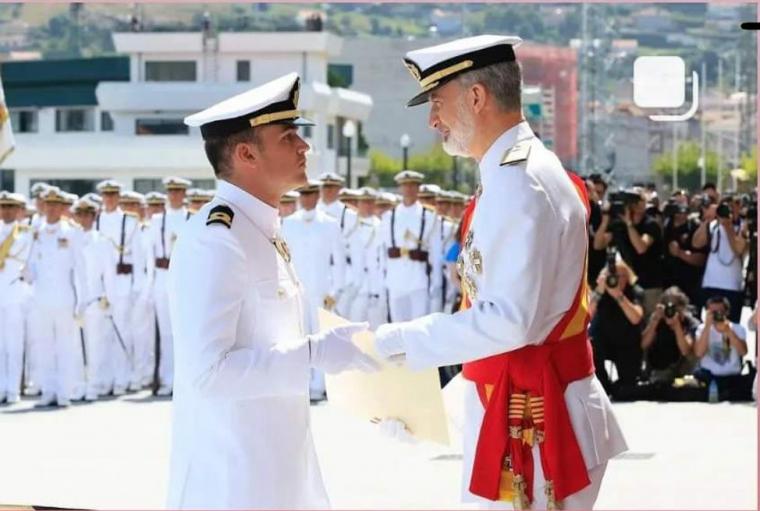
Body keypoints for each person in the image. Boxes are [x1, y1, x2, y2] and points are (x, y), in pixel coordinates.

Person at [374, 35, 626, 510]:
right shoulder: (516, 171)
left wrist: (402, 343)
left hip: (534, 416)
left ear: (476, 97)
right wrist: (428, 409)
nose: (432, 120)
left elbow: (509, 321)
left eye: (436, 101)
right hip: (520, 403)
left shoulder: (517, 181)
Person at [167, 73, 378, 509]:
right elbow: (207, 374)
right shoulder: (217, 237)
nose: (304, 147)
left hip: (278, 469)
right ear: (246, 153)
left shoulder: (261, 227)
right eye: (288, 137)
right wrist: (317, 354)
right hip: (232, 480)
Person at [281, 179, 347, 401]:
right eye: (304, 195)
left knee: (320, 336)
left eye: (311, 195)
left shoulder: (330, 223)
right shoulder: (287, 223)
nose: (307, 199)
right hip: (297, 290)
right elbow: (283, 260)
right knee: (298, 336)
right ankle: (302, 382)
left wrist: (336, 291)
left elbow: (339, 260)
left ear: (317, 196)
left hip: (322, 289)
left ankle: (320, 383)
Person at [26, 187, 86, 407]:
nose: (50, 209)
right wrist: (27, 273)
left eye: (55, 205)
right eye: (47, 204)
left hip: (64, 298)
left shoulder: (71, 232)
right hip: (41, 298)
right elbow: (31, 262)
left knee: (65, 346)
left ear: (62, 208)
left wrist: (82, 300)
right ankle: (48, 391)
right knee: (44, 347)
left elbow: (80, 269)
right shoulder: (36, 231)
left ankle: (64, 392)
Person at [148, 176, 193, 396]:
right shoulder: (157, 220)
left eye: (179, 191)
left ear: (184, 194)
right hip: (162, 277)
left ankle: (185, 380)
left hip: (185, 280)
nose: (175, 196)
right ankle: (167, 380)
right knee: (166, 334)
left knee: (185, 334)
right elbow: (149, 256)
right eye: (171, 192)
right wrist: (149, 286)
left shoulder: (193, 218)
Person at [380, 170, 442, 322]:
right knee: (397, 325)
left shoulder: (429, 216)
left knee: (419, 326)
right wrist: (381, 280)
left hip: (419, 278)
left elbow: (436, 251)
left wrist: (436, 281)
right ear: (400, 188)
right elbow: (382, 251)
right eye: (405, 186)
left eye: (413, 186)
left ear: (418, 188)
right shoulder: (389, 216)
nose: (408, 189)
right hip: (395, 279)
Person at [594, 187, 664, 318]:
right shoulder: (618, 225)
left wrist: (629, 224)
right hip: (629, 283)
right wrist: (605, 222)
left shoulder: (651, 224)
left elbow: (641, 247)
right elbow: (598, 245)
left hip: (650, 283)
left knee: (649, 320)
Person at [588, 259, 645, 396]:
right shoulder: (601, 293)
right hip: (604, 341)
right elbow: (587, 315)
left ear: (626, 278)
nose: (614, 280)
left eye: (618, 276)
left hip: (627, 343)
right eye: (611, 276)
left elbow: (636, 317)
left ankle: (618, 387)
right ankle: (603, 384)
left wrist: (619, 296)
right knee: (591, 343)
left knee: (627, 389)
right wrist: (599, 290)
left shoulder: (635, 291)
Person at [692, 196, 748, 322]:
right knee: (709, 325)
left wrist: (728, 226)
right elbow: (696, 243)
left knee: (730, 326)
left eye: (732, 207)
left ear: (738, 208)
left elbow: (738, 249)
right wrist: (707, 219)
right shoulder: (713, 225)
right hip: (710, 283)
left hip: (731, 285)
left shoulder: (742, 226)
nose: (729, 211)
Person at [0, 191, 32, 405]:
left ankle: (13, 389)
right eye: (4, 207)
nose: (7, 211)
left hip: (16, 294)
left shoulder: (27, 233)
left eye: (12, 207)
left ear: (21, 210)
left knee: (14, 344)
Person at [640, 286, 698, 385]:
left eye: (674, 306)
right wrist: (655, 321)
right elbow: (643, 344)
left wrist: (677, 327)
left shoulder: (689, 321)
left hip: (682, 366)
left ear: (682, 306)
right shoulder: (657, 318)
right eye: (667, 305)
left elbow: (686, 351)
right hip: (660, 364)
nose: (670, 309)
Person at [693, 295, 748, 396]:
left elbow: (743, 352)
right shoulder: (702, 329)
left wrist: (729, 332)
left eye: (720, 312)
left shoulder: (737, 328)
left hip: (732, 376)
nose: (717, 315)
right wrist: (707, 327)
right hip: (709, 376)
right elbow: (699, 353)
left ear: (727, 312)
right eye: (713, 312)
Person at [662, 202, 706, 306]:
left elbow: (701, 259)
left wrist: (679, 253)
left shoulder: (694, 227)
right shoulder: (666, 227)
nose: (680, 215)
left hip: (690, 283)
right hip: (668, 282)